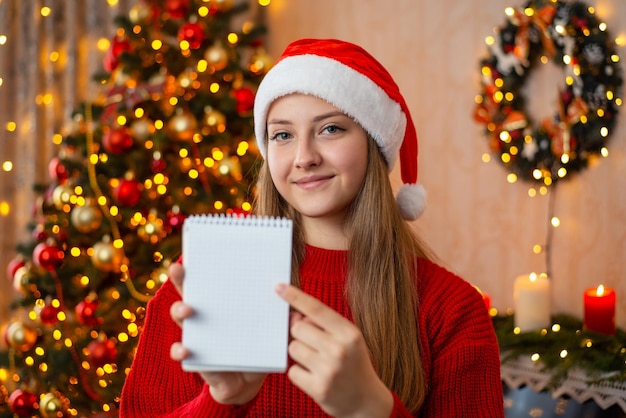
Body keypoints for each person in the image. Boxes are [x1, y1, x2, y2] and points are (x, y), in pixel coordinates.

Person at [119, 38, 505, 417]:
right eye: (283, 135)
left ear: (374, 144)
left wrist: (372, 409)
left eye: (330, 129)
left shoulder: (452, 310)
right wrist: (221, 401)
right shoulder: (206, 277)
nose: (303, 157)